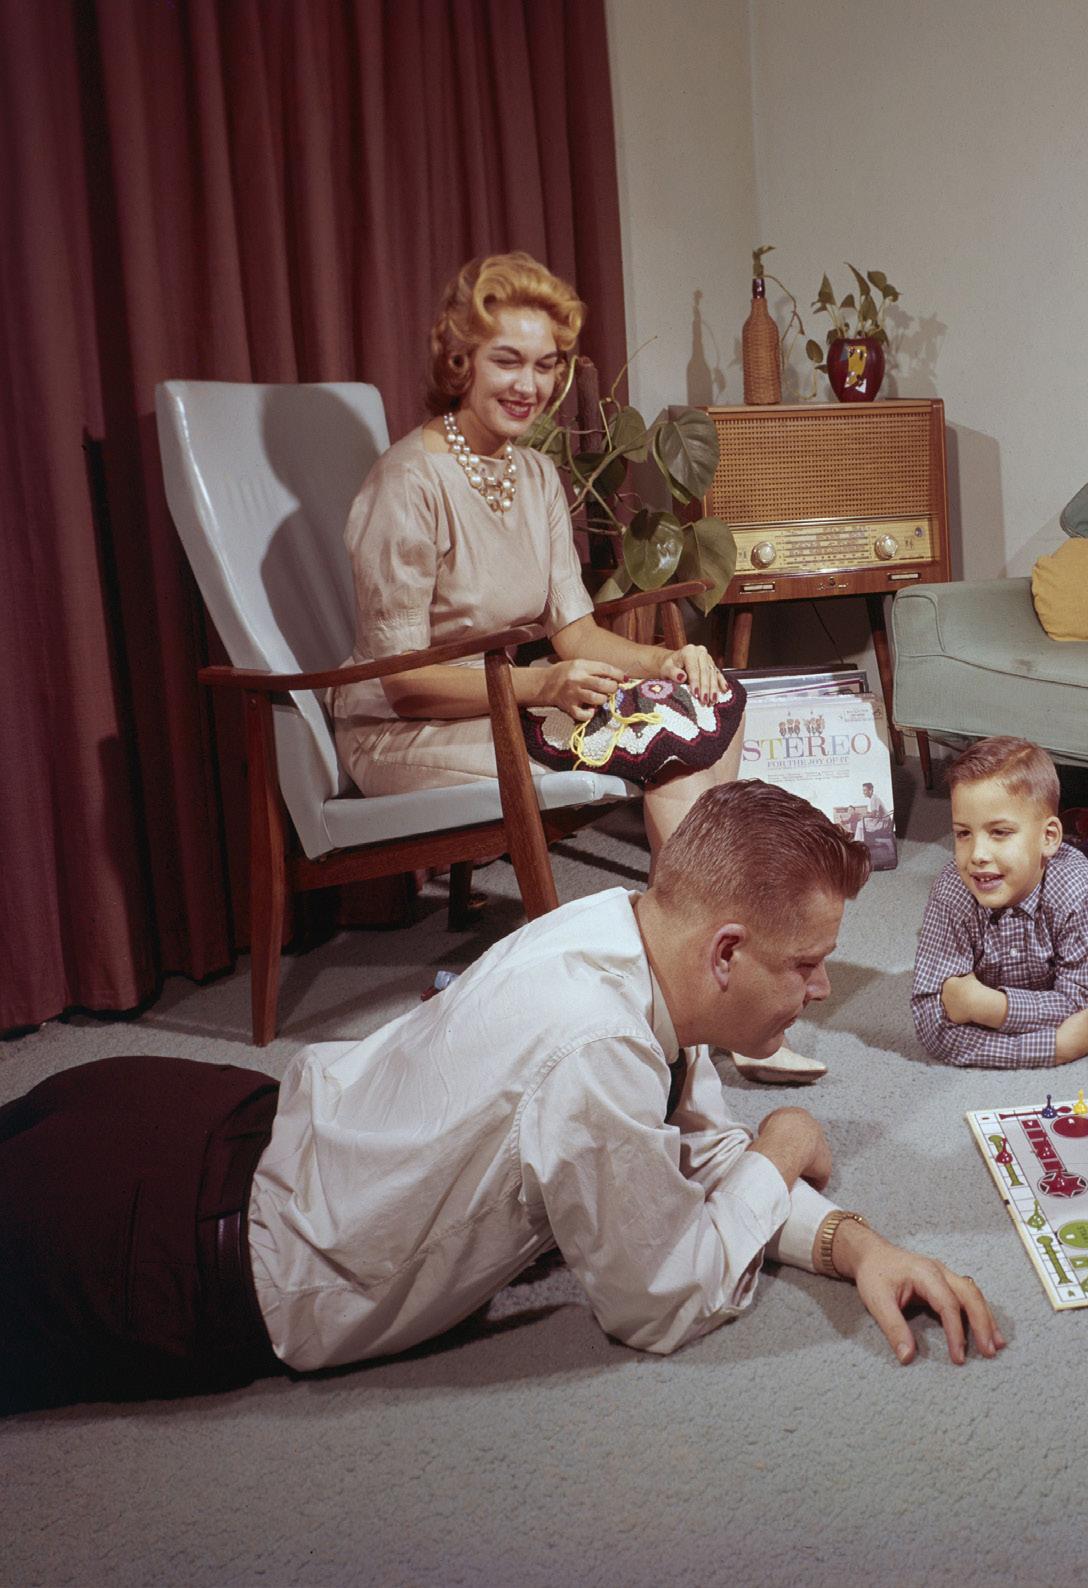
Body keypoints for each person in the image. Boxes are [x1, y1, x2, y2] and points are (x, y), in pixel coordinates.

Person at [0, 782, 1002, 1414]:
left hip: (174, 1114)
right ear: (727, 952)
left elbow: (690, 1160)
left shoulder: (625, 932)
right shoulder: (599, 1049)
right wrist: (783, 1142)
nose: (821, 990)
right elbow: (660, 1297)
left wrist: (857, 1246)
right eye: (808, 964)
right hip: (166, 1248)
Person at [331, 251, 743, 858]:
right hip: (403, 732)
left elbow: (575, 634)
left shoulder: (536, 473)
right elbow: (404, 684)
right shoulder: (407, 482)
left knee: (709, 701)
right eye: (507, 361)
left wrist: (666, 662)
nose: (529, 386)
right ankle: (691, 906)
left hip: (509, 701)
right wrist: (541, 684)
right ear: (460, 361)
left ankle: (699, 898)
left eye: (545, 365)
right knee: (664, 738)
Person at [911, 737, 1088, 1068]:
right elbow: (932, 1026)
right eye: (963, 833)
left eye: (999, 832)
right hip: (1033, 865)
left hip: (1080, 874)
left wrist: (990, 1007)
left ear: (1049, 837)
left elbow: (1085, 1007)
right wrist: (1050, 1047)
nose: (977, 855)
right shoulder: (952, 890)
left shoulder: (1078, 889)